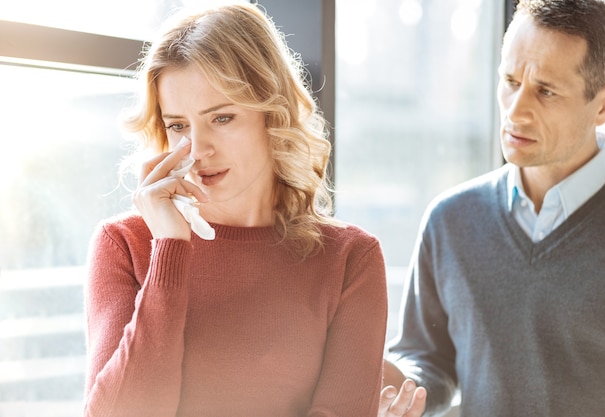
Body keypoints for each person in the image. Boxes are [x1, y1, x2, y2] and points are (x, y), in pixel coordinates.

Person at [82, 2, 388, 416]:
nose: (198, 147)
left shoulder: (350, 259)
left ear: (272, 116)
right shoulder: (125, 245)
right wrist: (170, 247)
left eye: (222, 118)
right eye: (177, 125)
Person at [378, 0, 605, 416]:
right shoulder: (450, 221)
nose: (515, 111)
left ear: (604, 105)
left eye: (545, 91)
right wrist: (397, 388)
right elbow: (428, 361)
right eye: (510, 81)